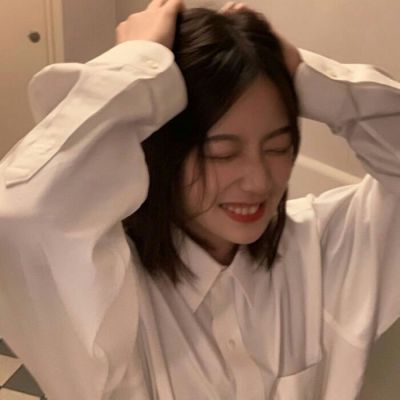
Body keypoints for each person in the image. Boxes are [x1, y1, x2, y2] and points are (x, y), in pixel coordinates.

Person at [0, 0, 399, 399]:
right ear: (164, 154)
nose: (259, 181)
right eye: (221, 154)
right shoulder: (107, 293)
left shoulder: (323, 246)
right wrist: (135, 65)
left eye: (277, 148)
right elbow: (18, 214)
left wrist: (307, 76)